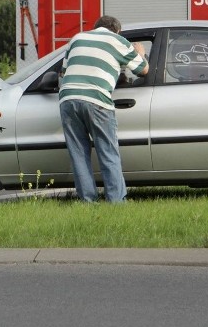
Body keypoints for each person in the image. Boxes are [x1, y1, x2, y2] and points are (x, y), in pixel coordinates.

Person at [58, 16, 148, 202]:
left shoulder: (77, 38)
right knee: (108, 152)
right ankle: (116, 202)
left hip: (68, 99)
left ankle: (88, 202)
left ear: (96, 27)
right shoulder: (117, 40)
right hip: (97, 100)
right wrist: (141, 53)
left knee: (78, 154)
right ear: (117, 30)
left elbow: (64, 72)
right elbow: (143, 70)